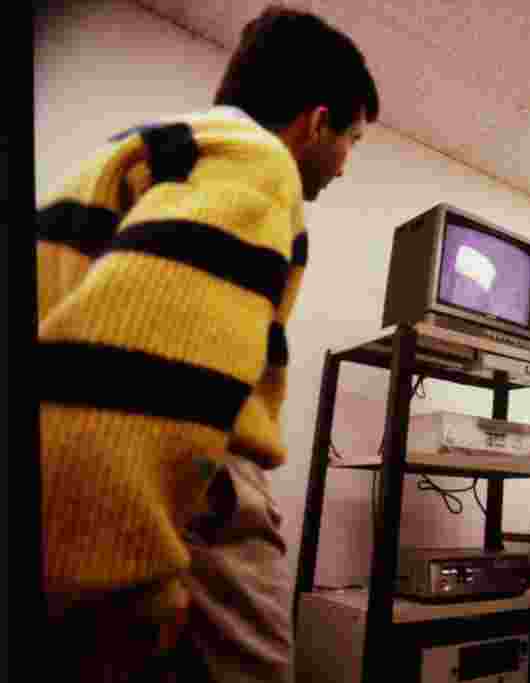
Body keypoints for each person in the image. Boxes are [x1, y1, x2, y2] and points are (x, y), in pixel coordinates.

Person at [37, 6, 379, 681]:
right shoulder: (257, 161)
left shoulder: (147, 150)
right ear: (317, 122)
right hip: (187, 497)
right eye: (353, 142)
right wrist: (123, 584)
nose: (344, 167)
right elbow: (130, 372)